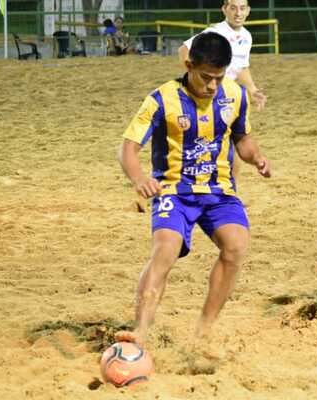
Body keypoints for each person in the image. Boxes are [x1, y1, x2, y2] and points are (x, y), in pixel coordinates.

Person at [115, 32, 271, 346]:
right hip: (173, 191)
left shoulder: (236, 95)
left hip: (218, 191)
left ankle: (204, 329)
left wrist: (256, 158)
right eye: (206, 77)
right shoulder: (161, 99)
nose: (213, 85)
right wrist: (140, 179)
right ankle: (140, 331)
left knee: (236, 245)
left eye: (219, 77)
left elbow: (242, 138)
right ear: (189, 65)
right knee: (165, 251)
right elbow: (128, 148)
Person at [178, 0, 266, 111]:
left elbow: (241, 67)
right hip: (206, 94)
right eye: (233, 8)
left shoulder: (246, 36)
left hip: (224, 95)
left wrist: (252, 90)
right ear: (224, 9)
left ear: (248, 11)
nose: (238, 13)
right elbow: (184, 50)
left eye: (242, 8)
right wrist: (196, 79)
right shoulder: (215, 32)